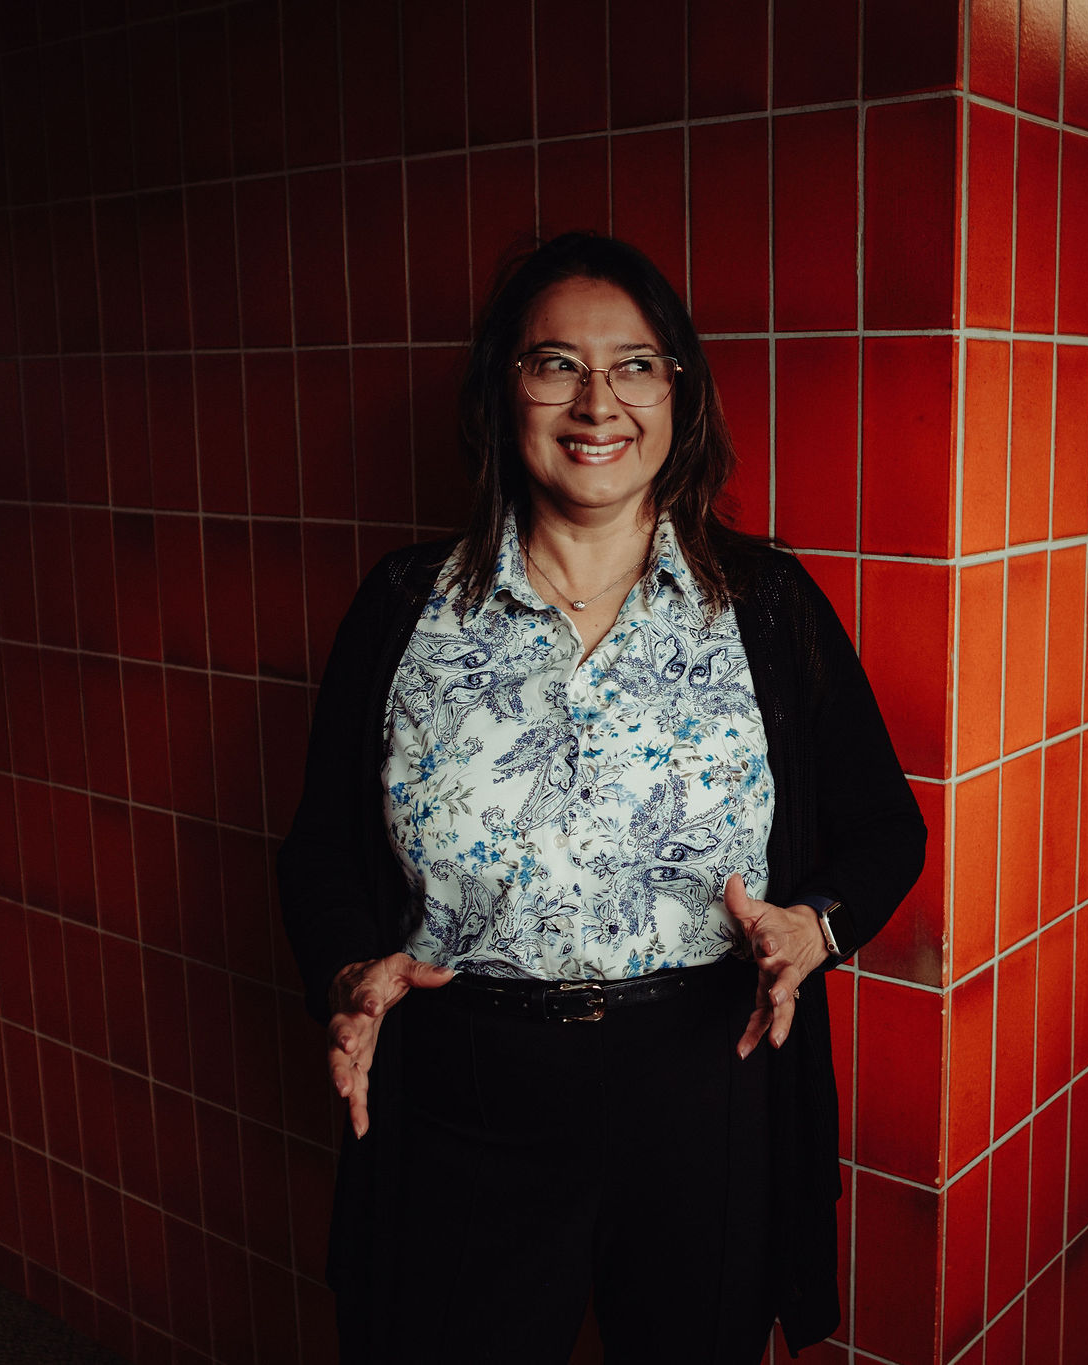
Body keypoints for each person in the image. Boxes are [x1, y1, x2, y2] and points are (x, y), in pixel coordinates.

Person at [277, 231, 926, 1363]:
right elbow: (321, 853)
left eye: (634, 364)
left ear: (679, 393)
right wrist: (348, 968)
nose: (596, 401)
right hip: (462, 1085)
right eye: (553, 364)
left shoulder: (765, 605)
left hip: (701, 1081)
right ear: (502, 390)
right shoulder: (401, 610)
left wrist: (810, 928)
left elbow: (885, 828)